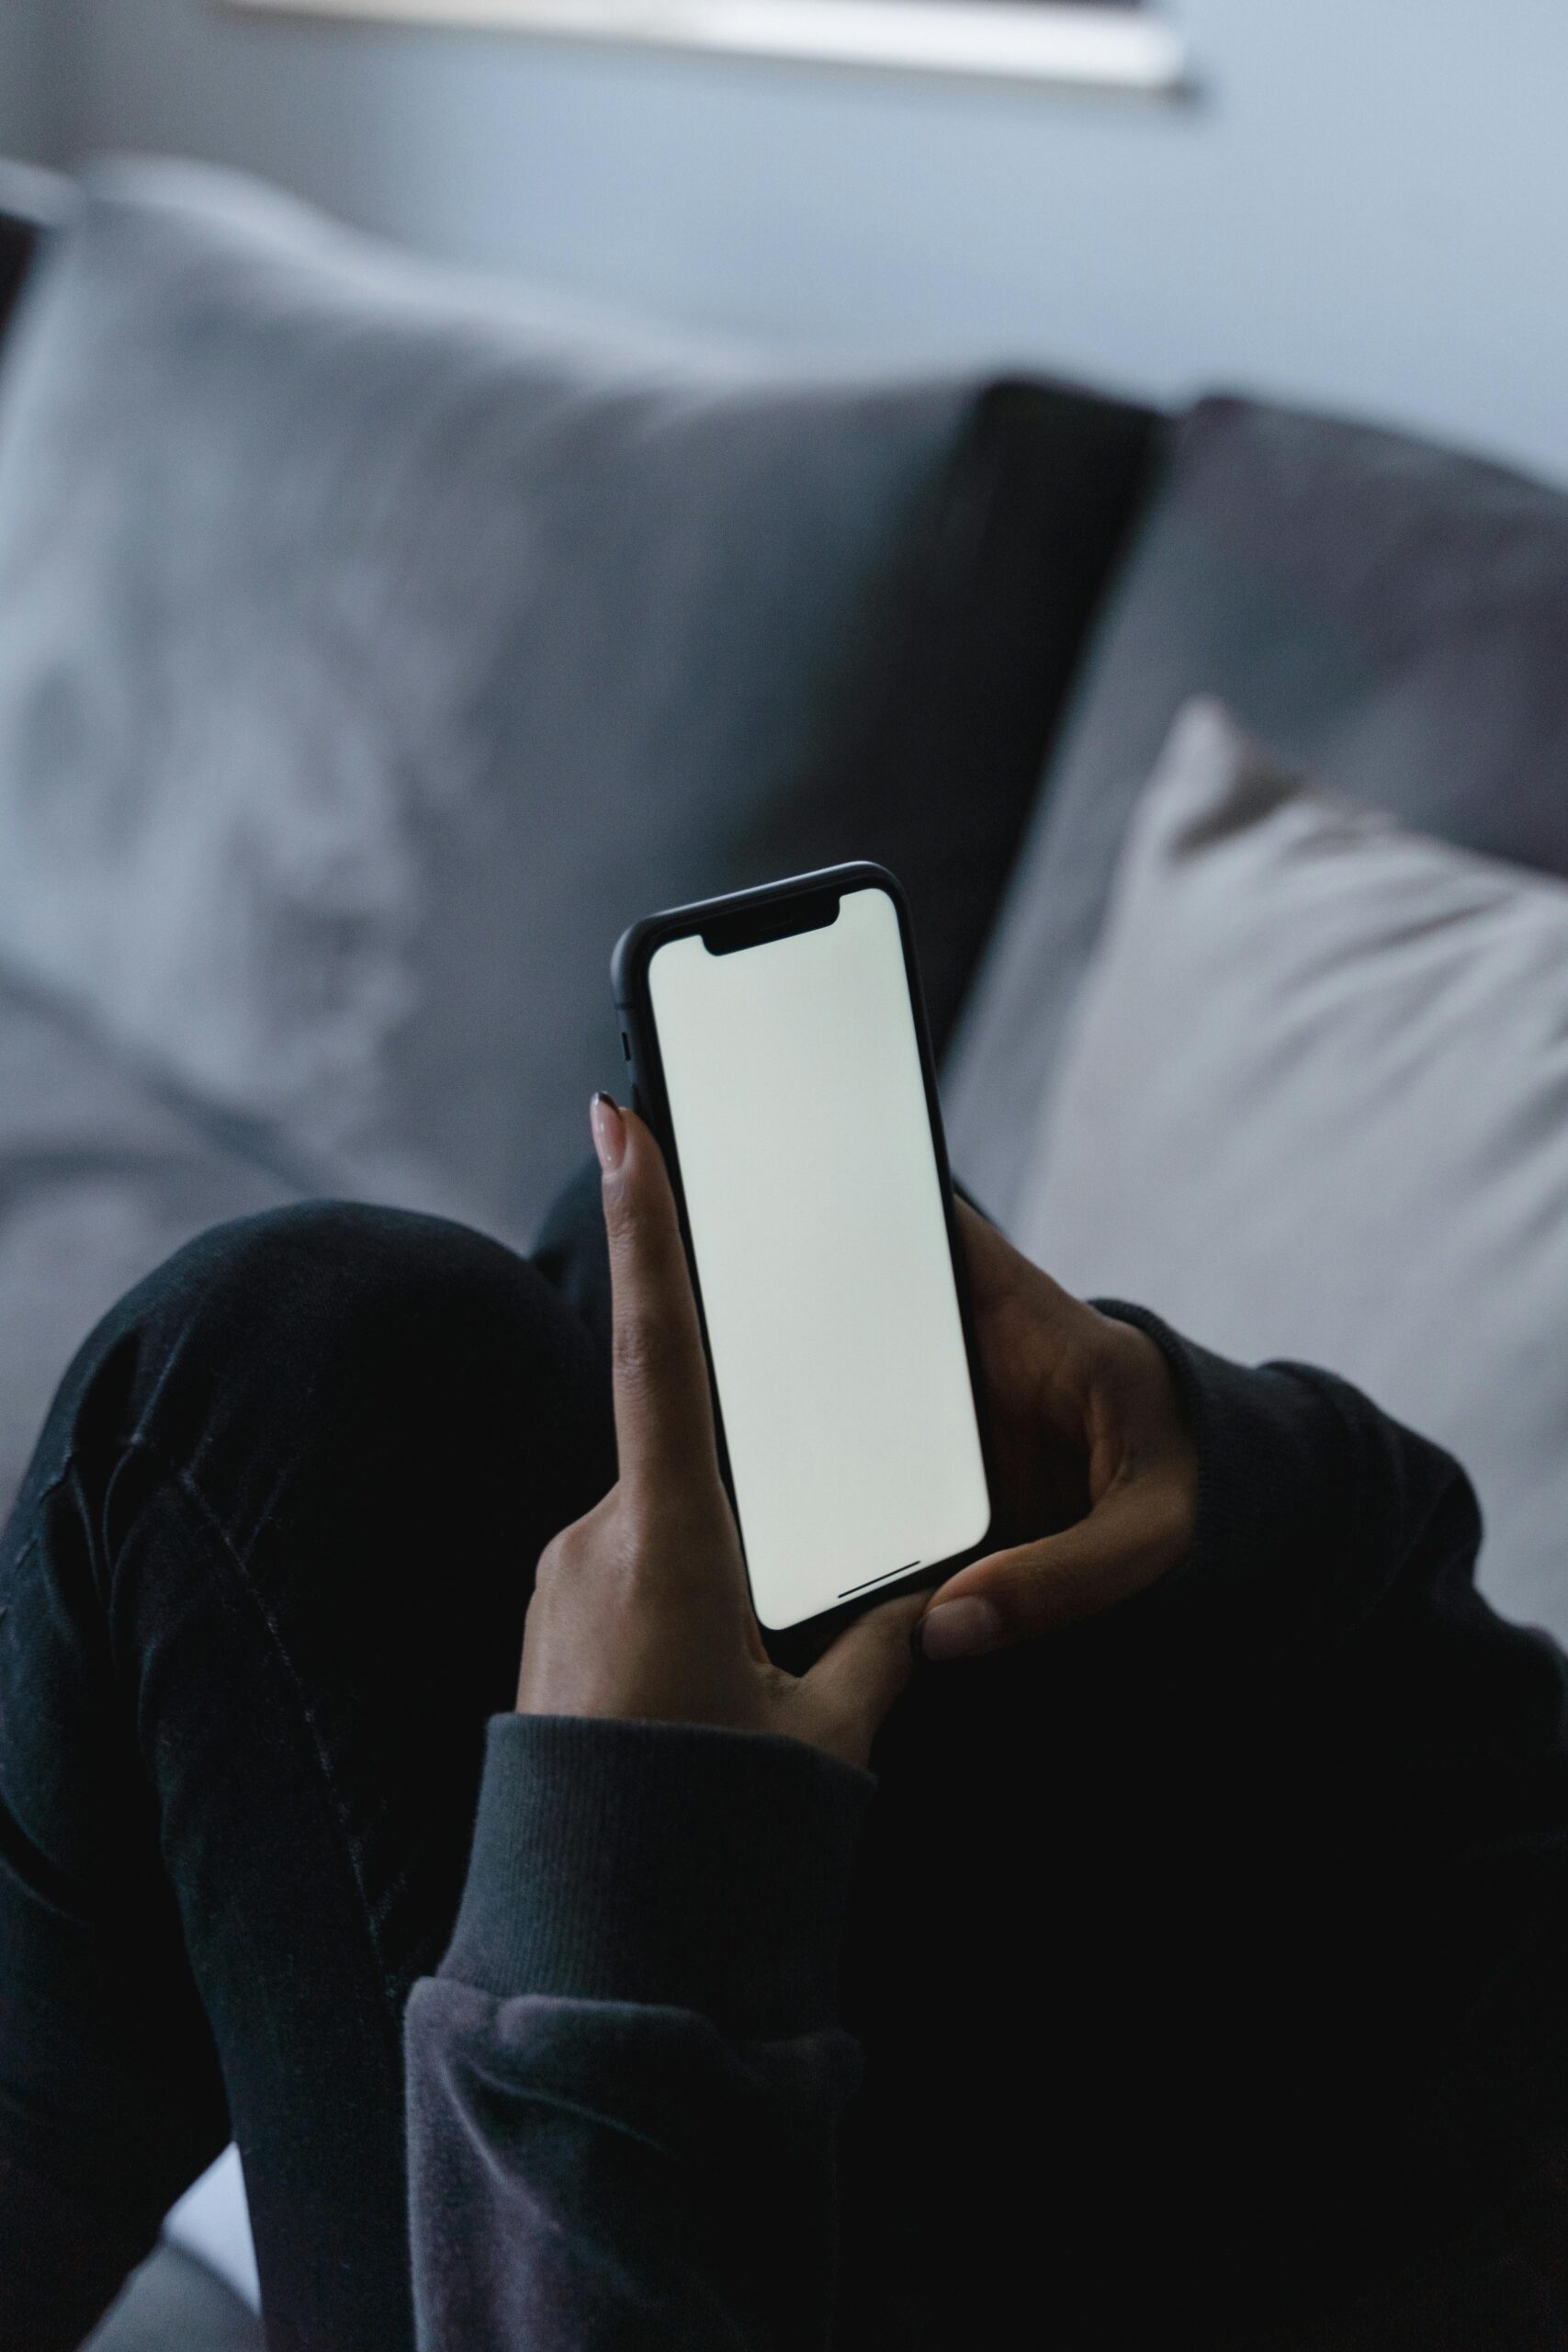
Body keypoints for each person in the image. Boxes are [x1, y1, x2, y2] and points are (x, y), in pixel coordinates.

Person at [2, 1093, 1564, 2350]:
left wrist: (615, 1887)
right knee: (636, 1291)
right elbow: (1514, 1769)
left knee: (268, 1379)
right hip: (1326, 2103)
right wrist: (1189, 1458)